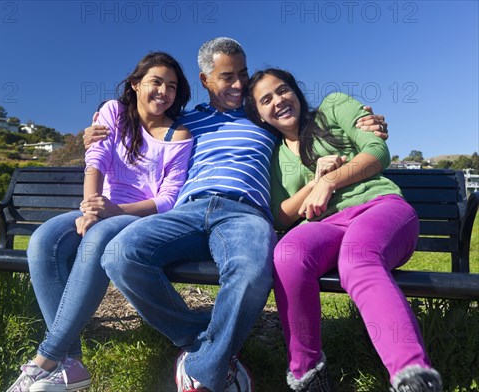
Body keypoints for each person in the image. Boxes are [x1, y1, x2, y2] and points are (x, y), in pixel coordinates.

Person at [81, 38, 389, 392]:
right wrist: (96, 131)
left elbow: (309, 118)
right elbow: (139, 126)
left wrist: (367, 121)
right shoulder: (184, 119)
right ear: (205, 80)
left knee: (251, 270)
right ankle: (205, 339)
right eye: (227, 77)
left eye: (243, 73)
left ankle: (203, 370)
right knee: (119, 255)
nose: (240, 84)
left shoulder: (262, 114)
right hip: (189, 209)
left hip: (245, 213)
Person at [244, 68, 442, 392]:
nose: (278, 101)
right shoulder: (274, 156)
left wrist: (333, 180)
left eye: (282, 90)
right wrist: (315, 182)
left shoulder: (332, 108)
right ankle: (308, 376)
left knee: (357, 258)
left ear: (295, 90)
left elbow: (377, 151)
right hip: (325, 224)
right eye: (266, 100)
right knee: (287, 256)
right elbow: (281, 216)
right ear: (260, 115)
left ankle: (413, 376)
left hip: (378, 206)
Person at [7, 51, 194, 392]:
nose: (163, 91)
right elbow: (96, 161)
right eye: (156, 82)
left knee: (97, 238)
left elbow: (167, 200)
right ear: (136, 84)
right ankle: (71, 364)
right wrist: (91, 208)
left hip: (139, 216)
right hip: (100, 206)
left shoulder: (177, 135)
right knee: (43, 241)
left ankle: (46, 360)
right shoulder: (113, 112)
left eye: (172, 86)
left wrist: (111, 213)